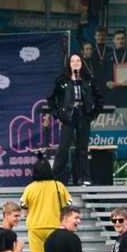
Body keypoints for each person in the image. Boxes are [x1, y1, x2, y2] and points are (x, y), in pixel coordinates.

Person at [47, 48, 100, 185]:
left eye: (78, 61)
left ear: (81, 63)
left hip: (83, 115)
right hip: (68, 116)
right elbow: (51, 99)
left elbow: (100, 98)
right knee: (63, 147)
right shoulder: (62, 81)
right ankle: (56, 178)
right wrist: (56, 114)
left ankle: (84, 177)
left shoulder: (88, 80)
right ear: (69, 64)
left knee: (82, 148)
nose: (75, 63)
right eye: (72, 61)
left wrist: (93, 113)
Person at [22, 157, 70, 247]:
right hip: (55, 226)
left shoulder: (29, 188)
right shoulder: (59, 186)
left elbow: (24, 210)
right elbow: (69, 204)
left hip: (35, 227)